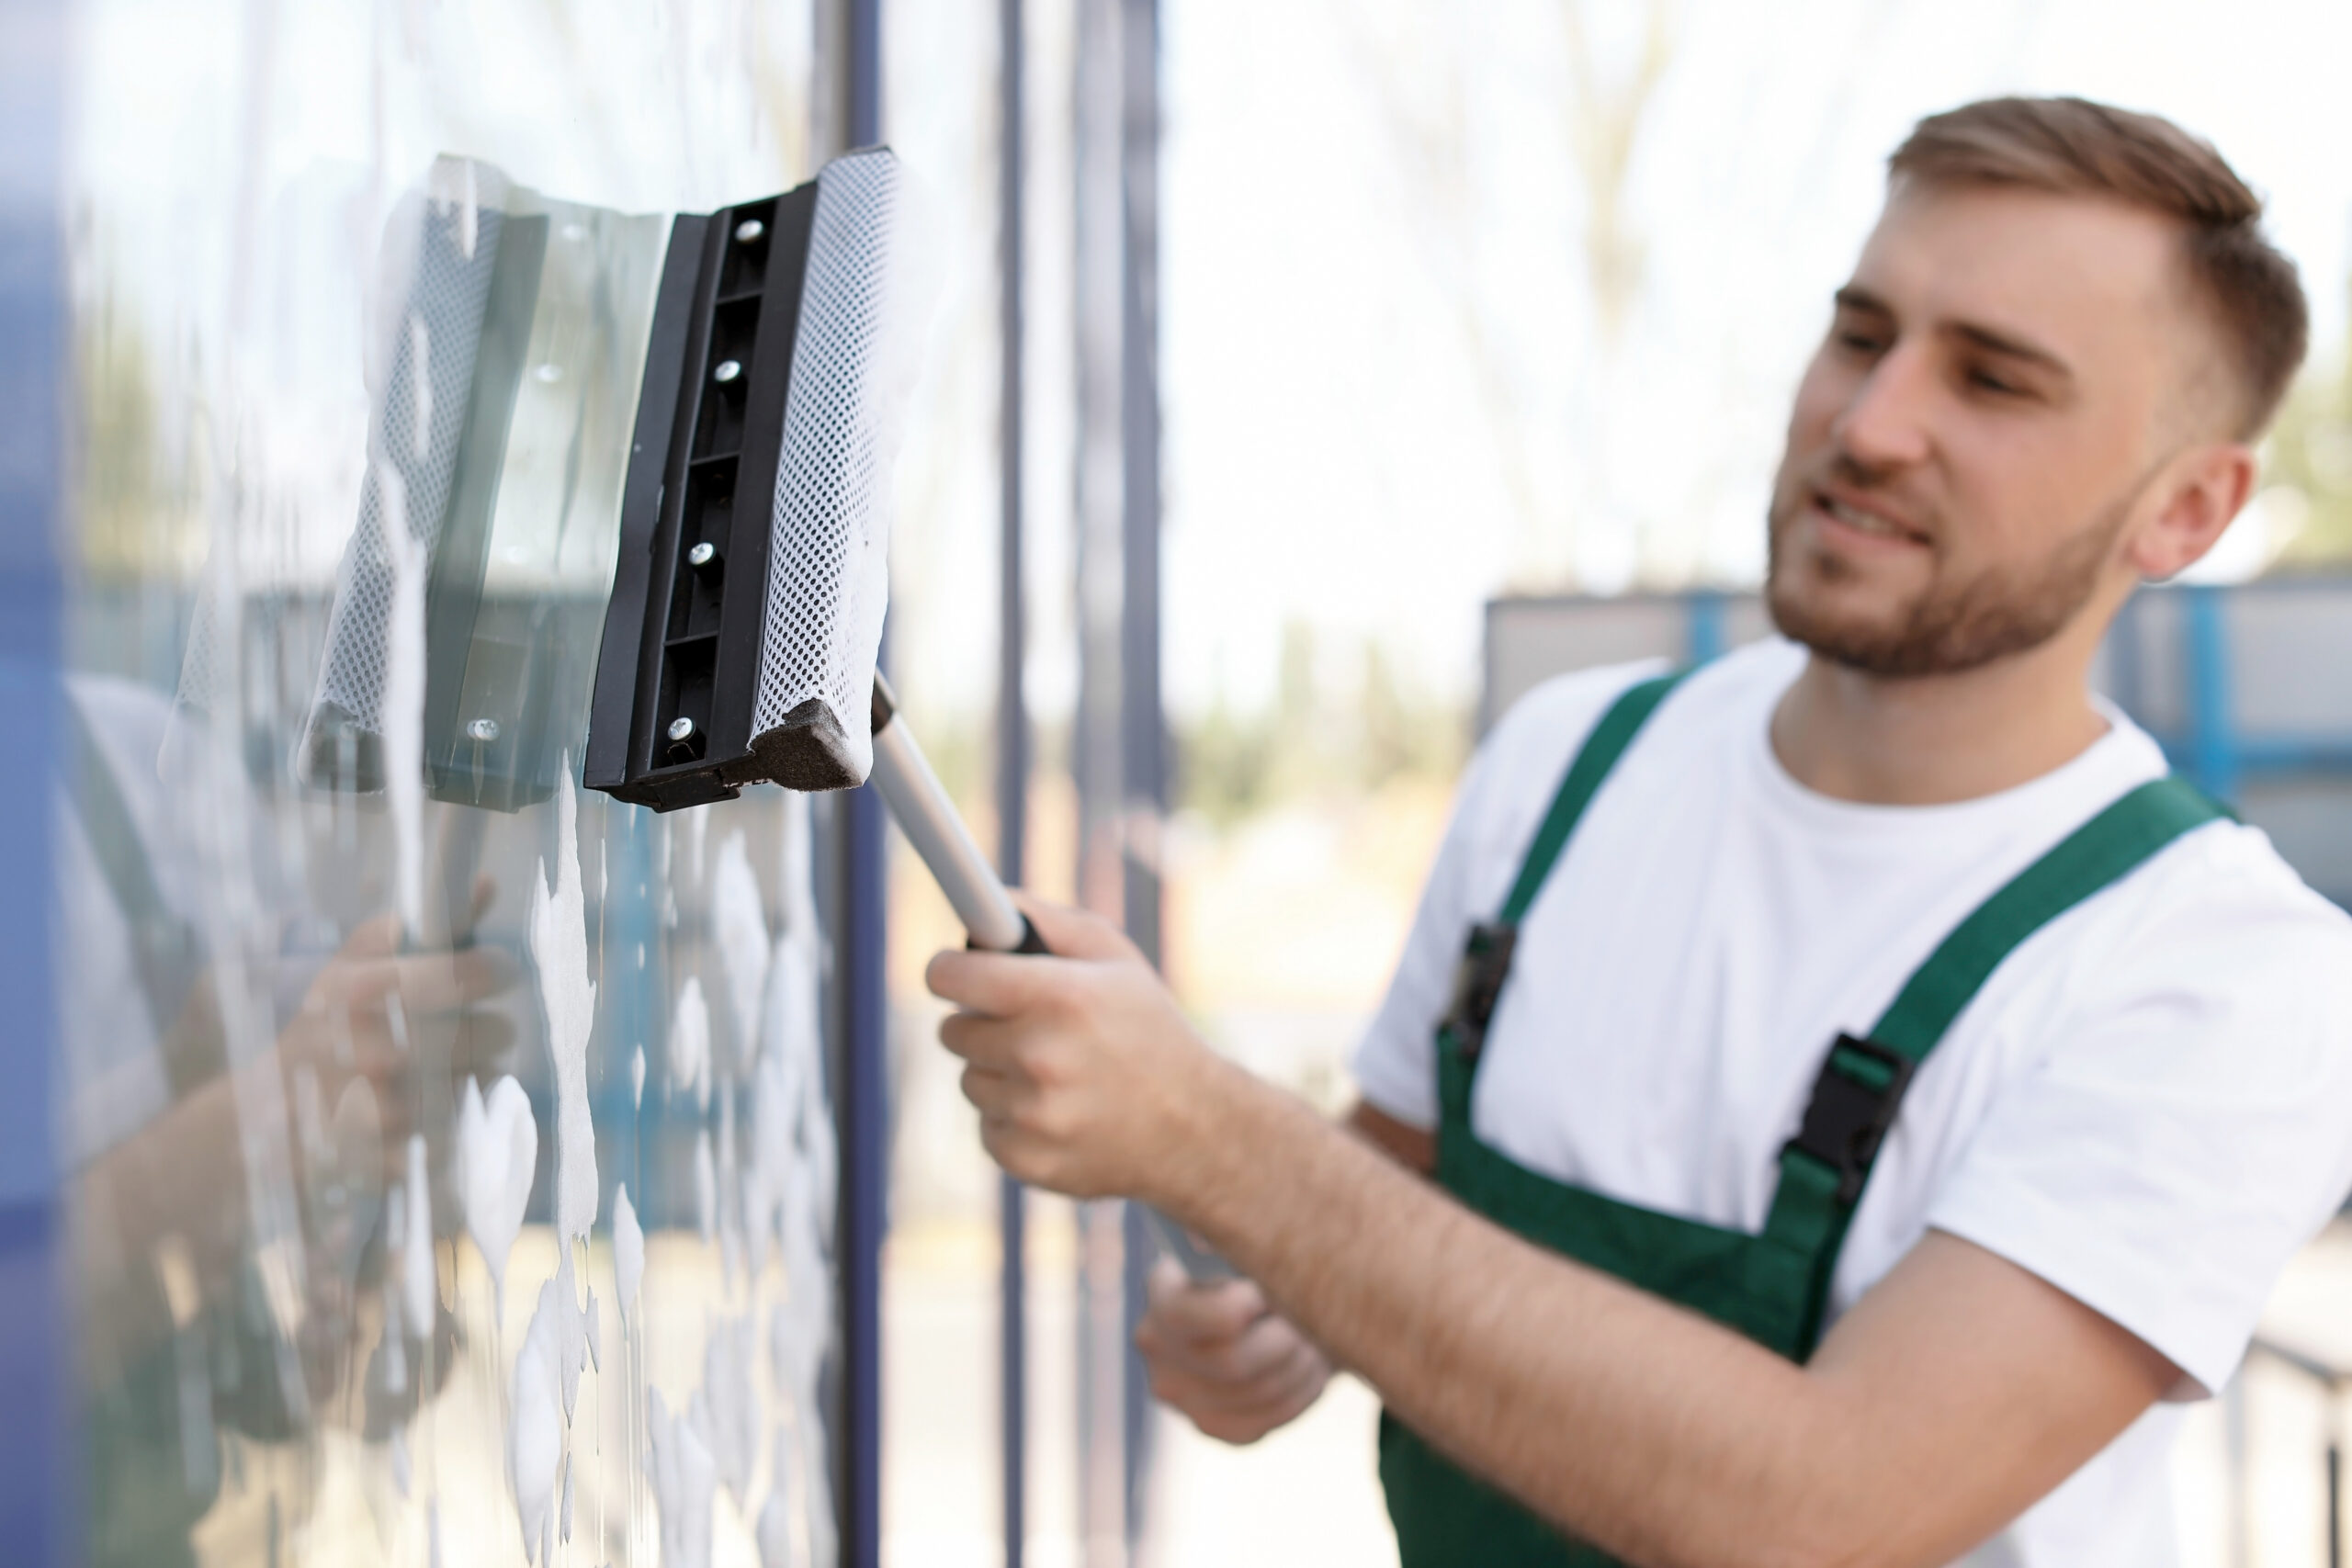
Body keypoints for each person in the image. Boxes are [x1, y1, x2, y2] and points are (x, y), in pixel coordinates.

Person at [924, 96, 2352, 1564]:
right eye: (1861, 336)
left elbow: (1825, 1510)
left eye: (1993, 381)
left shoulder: (2224, 973)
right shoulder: (1564, 769)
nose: (1868, 426)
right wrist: (1286, 1314)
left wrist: (1219, 1143)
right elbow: (1387, 1179)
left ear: (2184, 510)